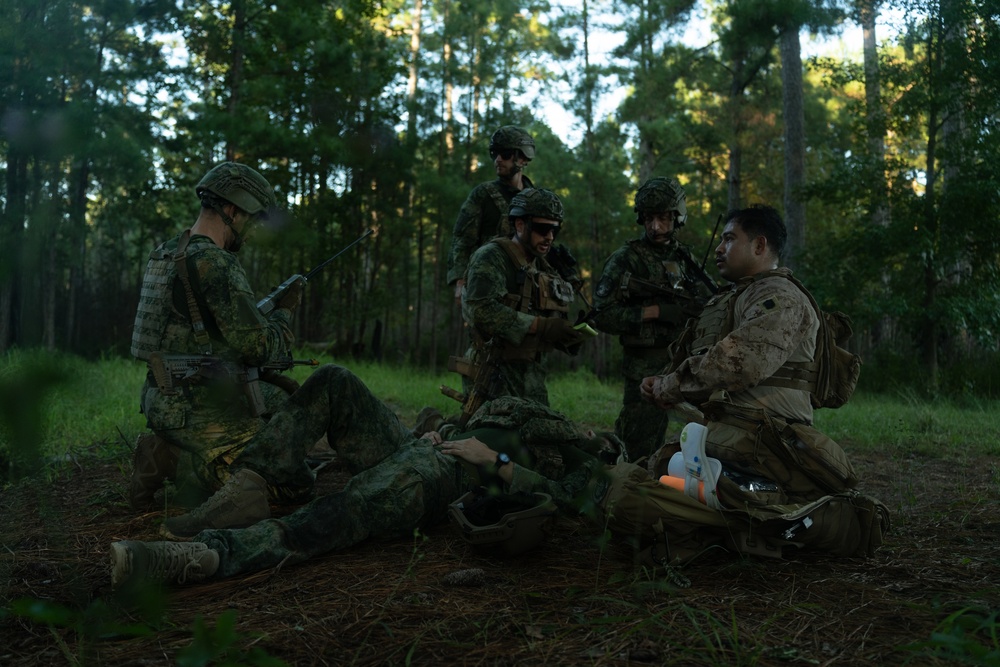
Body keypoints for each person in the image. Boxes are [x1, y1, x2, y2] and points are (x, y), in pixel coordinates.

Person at [110, 364, 620, 589]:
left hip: (456, 474)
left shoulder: (581, 456)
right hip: (433, 447)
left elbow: (575, 504)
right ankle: (253, 485)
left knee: (359, 501)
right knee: (335, 381)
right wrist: (439, 431)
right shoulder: (528, 410)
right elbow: (467, 427)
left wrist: (497, 463)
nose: (597, 437)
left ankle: (212, 554)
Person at [616, 204, 886, 563]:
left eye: (730, 239)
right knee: (632, 487)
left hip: (767, 444)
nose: (719, 248)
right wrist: (664, 387)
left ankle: (750, 526)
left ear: (759, 246)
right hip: (736, 438)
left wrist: (672, 384)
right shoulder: (740, 297)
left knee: (627, 499)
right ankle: (721, 527)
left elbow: (740, 362)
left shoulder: (781, 296)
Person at [129, 161, 309, 510]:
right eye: (253, 219)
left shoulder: (167, 251)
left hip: (159, 395)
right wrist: (285, 312)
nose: (254, 230)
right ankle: (176, 461)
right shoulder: (217, 263)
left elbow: (192, 336)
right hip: (196, 408)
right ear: (231, 210)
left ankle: (172, 449)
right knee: (290, 488)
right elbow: (261, 349)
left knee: (281, 403)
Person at [591, 177, 714, 461]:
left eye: (662, 218)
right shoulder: (626, 259)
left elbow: (706, 304)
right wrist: (655, 312)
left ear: (677, 217)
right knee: (638, 443)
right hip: (643, 366)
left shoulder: (686, 259)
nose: (655, 226)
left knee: (703, 436)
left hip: (685, 362)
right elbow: (602, 315)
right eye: (649, 218)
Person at [459, 188, 586, 407]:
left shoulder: (542, 265)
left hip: (532, 377)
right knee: (496, 439)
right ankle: (437, 426)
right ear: (519, 225)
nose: (549, 237)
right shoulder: (491, 257)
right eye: (542, 229)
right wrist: (541, 326)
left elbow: (544, 317)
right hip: (493, 372)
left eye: (555, 230)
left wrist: (567, 335)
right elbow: (480, 311)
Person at [446, 126, 537, 304]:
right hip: (489, 287)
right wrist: (460, 281)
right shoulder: (483, 194)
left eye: (504, 154)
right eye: (494, 154)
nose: (497, 160)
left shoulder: (535, 199)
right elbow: (462, 239)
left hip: (528, 287)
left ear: (522, 157)